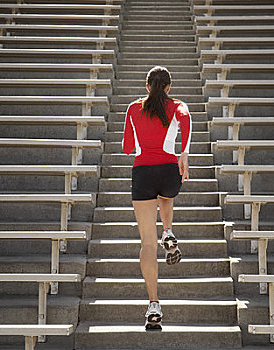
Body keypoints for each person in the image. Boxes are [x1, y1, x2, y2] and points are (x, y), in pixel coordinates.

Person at [122, 66, 192, 330]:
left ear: (147, 86)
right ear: (169, 87)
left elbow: (128, 148)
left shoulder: (133, 108)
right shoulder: (177, 105)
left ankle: (154, 305)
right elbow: (186, 119)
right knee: (166, 193)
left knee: (147, 245)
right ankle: (169, 231)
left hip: (142, 172)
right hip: (169, 171)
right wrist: (183, 153)